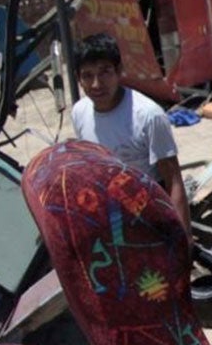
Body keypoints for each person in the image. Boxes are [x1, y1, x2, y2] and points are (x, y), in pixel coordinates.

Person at [70, 33, 187, 226]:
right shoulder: (79, 112)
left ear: (119, 71)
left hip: (148, 212)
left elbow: (173, 180)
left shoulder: (149, 116)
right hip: (108, 211)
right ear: (78, 79)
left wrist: (184, 237)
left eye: (105, 72)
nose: (96, 84)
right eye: (87, 76)